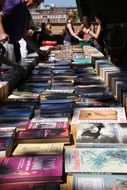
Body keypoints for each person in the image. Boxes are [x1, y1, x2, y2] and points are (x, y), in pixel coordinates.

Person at [0, 0, 46, 71]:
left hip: (14, 46)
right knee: (5, 73)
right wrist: (2, 32)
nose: (36, 7)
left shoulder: (26, 13)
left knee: (14, 73)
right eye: (38, 4)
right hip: (4, 45)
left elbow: (25, 35)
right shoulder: (14, 2)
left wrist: (37, 49)